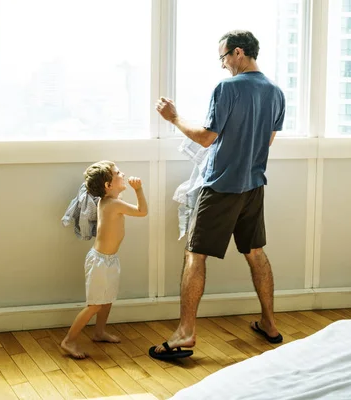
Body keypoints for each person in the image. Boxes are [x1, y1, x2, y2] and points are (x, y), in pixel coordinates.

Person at [150, 30, 286, 360]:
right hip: (253, 185)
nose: (223, 64)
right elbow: (267, 142)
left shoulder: (227, 88)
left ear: (238, 52)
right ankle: (269, 324)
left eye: (223, 57)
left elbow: (207, 137)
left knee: (195, 255)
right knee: (255, 252)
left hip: (222, 186)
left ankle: (184, 335)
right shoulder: (276, 92)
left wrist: (174, 118)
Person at [61, 160, 148, 359]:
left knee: (106, 300)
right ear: (108, 186)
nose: (123, 174)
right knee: (95, 305)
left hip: (109, 260)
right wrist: (139, 189)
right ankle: (69, 340)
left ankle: (99, 332)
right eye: (118, 173)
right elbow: (142, 211)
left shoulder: (109, 201)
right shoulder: (112, 203)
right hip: (100, 262)